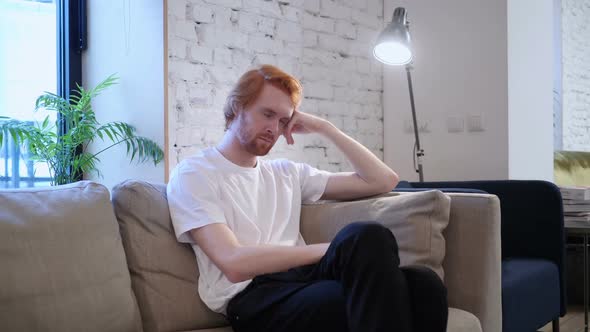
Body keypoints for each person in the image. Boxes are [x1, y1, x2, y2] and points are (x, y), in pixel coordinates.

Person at [167, 64, 448, 332]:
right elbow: (234, 262)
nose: (274, 128)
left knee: (425, 283)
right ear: (237, 107)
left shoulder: (286, 173)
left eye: (283, 121)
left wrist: (325, 128)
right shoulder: (195, 173)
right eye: (267, 114)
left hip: (304, 278)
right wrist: (334, 248)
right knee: (357, 247)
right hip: (254, 296)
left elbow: (383, 180)